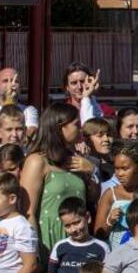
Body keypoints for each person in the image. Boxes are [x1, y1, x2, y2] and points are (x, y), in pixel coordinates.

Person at [20, 103, 94, 259]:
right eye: (76, 124)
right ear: (59, 127)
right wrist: (35, 253)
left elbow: (92, 198)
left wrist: (91, 172)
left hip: (77, 237)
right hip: (47, 241)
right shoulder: (37, 161)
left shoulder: (77, 160)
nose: (81, 130)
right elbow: (28, 212)